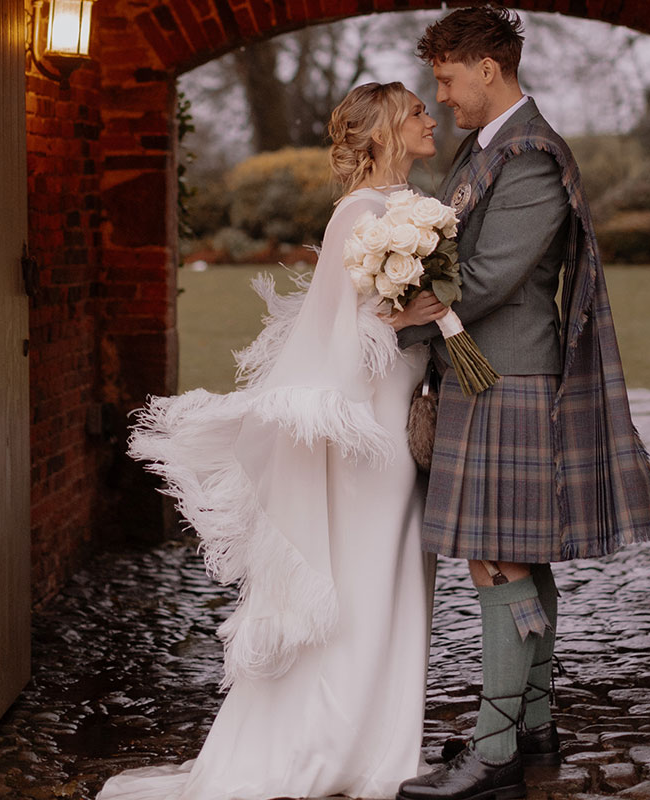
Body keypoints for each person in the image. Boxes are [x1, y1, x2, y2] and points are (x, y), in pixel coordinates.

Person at [96, 82, 448, 800]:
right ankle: (344, 745)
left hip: (394, 411)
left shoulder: (406, 210)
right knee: (369, 581)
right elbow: (336, 330)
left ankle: (384, 741)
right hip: (367, 432)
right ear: (381, 131)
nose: (429, 117)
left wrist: (424, 312)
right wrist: (411, 313)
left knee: (399, 578)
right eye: (416, 110)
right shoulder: (361, 212)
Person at [394, 7, 650, 800]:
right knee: (515, 555)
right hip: (487, 373)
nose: (441, 97)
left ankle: (492, 752)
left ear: (489, 67)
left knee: (496, 557)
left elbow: (483, 281)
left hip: (505, 377)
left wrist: (394, 310)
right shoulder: (484, 148)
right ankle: (532, 722)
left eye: (447, 79)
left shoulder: (532, 157)